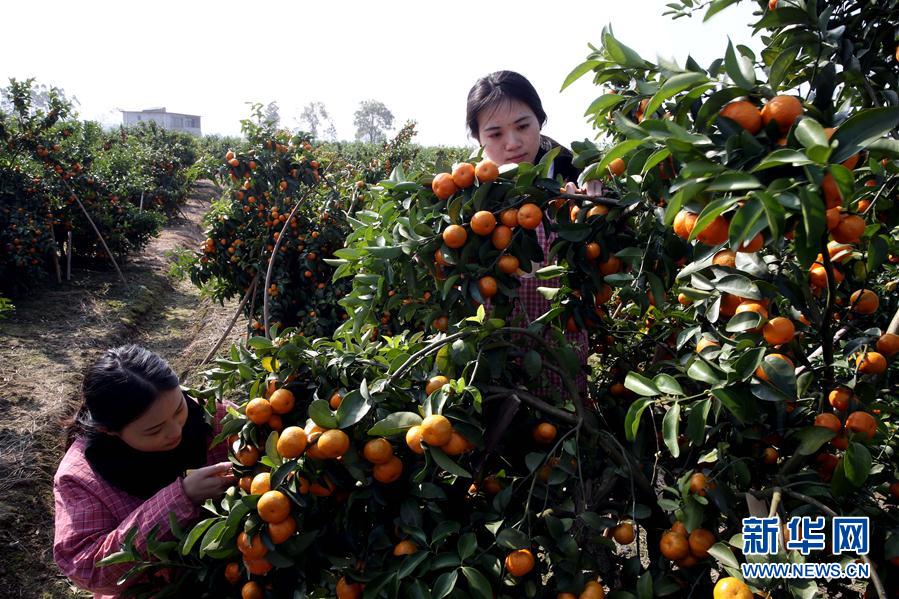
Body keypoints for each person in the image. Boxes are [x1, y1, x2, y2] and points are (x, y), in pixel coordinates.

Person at [53, 345, 233, 598]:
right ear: (110, 431)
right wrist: (180, 499)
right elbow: (88, 570)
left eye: (179, 410)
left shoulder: (210, 415)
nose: (175, 431)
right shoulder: (81, 477)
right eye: (154, 430)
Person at [466, 70, 602, 399]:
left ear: (540, 120)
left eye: (523, 126)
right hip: (493, 354)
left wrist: (595, 211)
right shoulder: (467, 196)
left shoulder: (575, 177)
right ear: (478, 137)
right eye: (495, 134)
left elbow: (605, 267)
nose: (512, 144)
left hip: (560, 350)